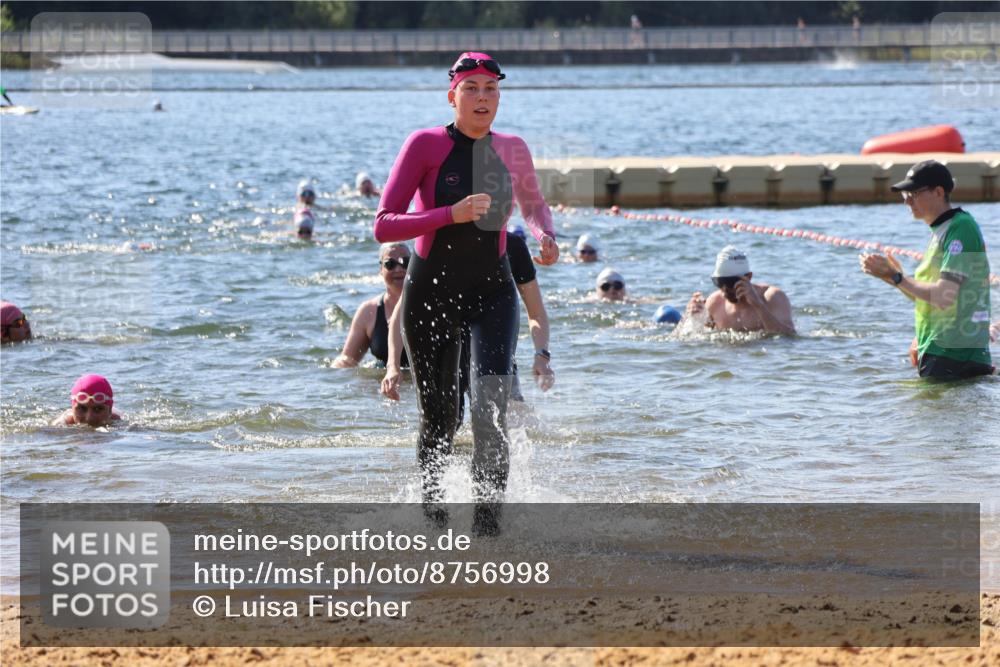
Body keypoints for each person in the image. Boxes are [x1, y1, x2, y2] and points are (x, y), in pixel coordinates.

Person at [372, 51, 558, 515]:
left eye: (491, 89)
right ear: (452, 96)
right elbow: (384, 224)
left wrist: (545, 234)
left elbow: (534, 204)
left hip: (492, 293)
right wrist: (448, 215)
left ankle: (488, 531)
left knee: (490, 414)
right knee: (441, 419)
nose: (482, 97)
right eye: (471, 88)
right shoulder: (424, 145)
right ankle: (433, 522)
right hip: (431, 294)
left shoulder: (513, 148)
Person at [381, 231, 555, 401]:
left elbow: (536, 312)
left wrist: (542, 356)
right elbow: (401, 313)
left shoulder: (513, 247)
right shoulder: (435, 244)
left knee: (513, 415)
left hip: (493, 351)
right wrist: (393, 366)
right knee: (447, 420)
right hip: (447, 354)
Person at [861, 160, 993, 379]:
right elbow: (929, 299)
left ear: (939, 192)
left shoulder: (960, 227)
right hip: (939, 351)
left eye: (914, 193)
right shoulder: (941, 230)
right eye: (905, 195)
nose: (907, 201)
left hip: (955, 356)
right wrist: (890, 277)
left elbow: (943, 296)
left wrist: (898, 277)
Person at [683, 246, 795, 335]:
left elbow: (789, 336)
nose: (725, 289)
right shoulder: (715, 303)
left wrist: (758, 305)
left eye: (731, 283)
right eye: (720, 282)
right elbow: (697, 340)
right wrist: (694, 318)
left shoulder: (773, 298)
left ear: (749, 277)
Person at [333, 242, 411, 369]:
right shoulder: (369, 311)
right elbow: (347, 359)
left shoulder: (428, 305)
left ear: (413, 266)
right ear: (381, 270)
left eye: (405, 262)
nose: (398, 269)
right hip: (386, 378)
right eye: (390, 264)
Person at [54, 374, 121, 427]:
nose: (89, 418)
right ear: (73, 408)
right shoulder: (61, 424)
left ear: (109, 410)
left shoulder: (119, 421)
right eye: (82, 408)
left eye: (97, 409)